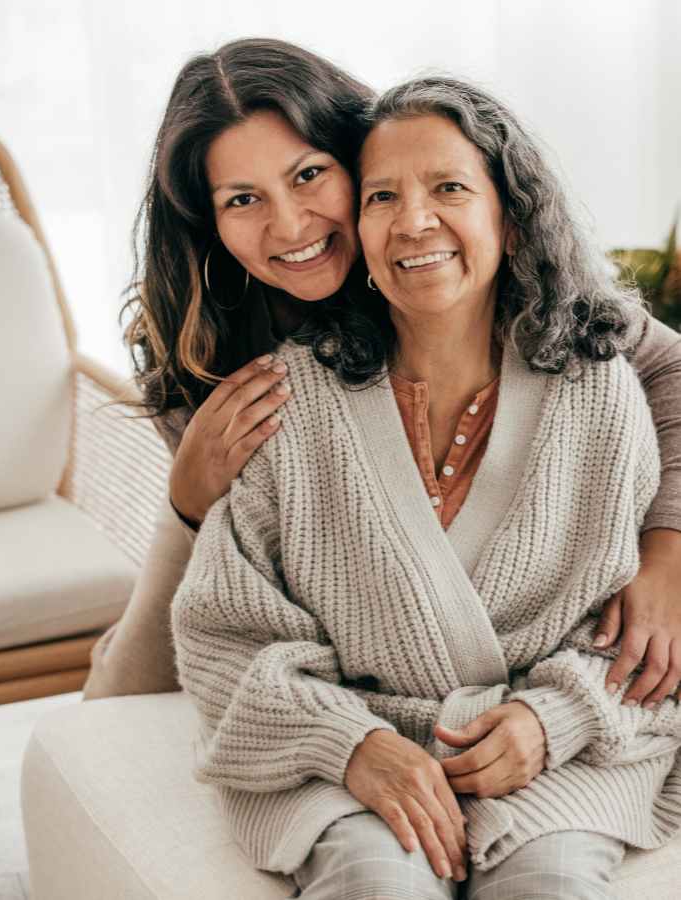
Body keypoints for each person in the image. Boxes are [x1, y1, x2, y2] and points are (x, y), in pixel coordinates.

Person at [169, 75, 681, 899]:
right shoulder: (285, 400)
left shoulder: (598, 386)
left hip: (554, 750)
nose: (413, 221)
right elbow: (223, 634)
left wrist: (553, 719)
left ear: (512, 221)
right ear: (363, 232)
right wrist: (349, 746)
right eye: (382, 197)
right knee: (375, 885)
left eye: (449, 188)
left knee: (549, 884)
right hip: (354, 754)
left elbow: (632, 636)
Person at [81, 38, 681, 725]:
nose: (290, 223)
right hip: (221, 537)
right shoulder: (207, 341)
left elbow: (668, 364)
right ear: (209, 221)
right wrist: (188, 502)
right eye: (243, 198)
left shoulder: (443, 260)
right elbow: (232, 599)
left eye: (309, 175)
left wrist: (669, 549)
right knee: (112, 703)